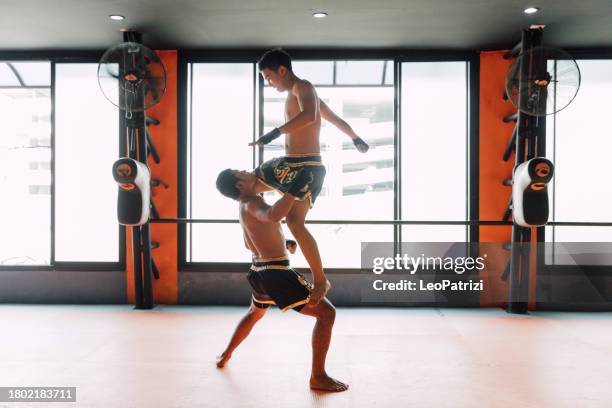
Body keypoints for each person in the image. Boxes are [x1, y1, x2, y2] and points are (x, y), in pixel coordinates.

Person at [249, 48, 369, 307]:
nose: (269, 84)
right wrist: (355, 137)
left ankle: (321, 280)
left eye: (269, 77)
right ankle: (279, 242)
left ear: (282, 70)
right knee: (246, 187)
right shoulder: (302, 94)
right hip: (288, 164)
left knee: (295, 221)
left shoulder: (303, 87)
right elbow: (334, 119)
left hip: (307, 167)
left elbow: (311, 116)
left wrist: (273, 134)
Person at [215, 168, 348, 392]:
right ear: (240, 185)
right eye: (243, 172)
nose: (250, 172)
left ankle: (225, 354)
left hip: (259, 271)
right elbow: (273, 215)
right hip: (276, 273)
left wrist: (283, 241)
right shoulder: (253, 203)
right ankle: (318, 376)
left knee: (254, 313)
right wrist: (295, 189)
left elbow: (251, 242)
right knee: (327, 314)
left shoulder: (244, 206)